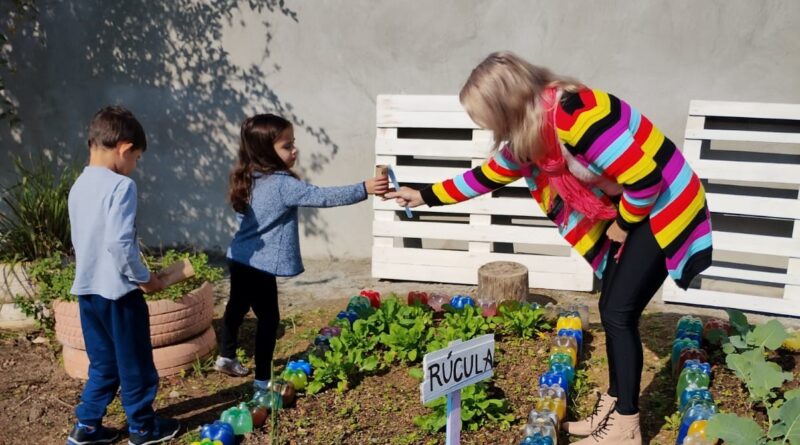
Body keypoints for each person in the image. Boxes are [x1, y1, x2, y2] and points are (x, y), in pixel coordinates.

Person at [386, 52, 712, 445]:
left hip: (665, 205)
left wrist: (623, 226)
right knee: (611, 307)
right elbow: (484, 177)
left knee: (617, 312)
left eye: (485, 116)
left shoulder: (578, 116)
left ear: (505, 105)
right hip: (634, 206)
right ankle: (613, 406)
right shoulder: (532, 133)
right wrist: (421, 196)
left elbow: (646, 180)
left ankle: (626, 427)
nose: (486, 126)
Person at [214, 113, 389, 390]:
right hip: (259, 265)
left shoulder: (248, 175)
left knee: (237, 306)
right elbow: (322, 196)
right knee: (269, 321)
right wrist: (363, 188)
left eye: (293, 143)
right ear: (264, 150)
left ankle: (226, 355)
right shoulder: (282, 184)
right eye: (287, 146)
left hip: (239, 257)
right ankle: (262, 381)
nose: (294, 150)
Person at [67, 106, 180, 445]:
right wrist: (145, 279)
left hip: (87, 295)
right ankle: (143, 429)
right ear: (124, 148)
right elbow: (119, 245)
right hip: (119, 295)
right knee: (136, 365)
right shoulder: (121, 186)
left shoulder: (79, 185)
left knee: (103, 364)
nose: (135, 166)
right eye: (138, 158)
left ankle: (86, 427)